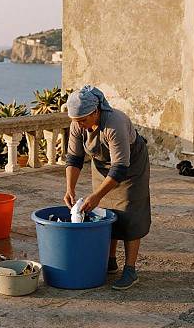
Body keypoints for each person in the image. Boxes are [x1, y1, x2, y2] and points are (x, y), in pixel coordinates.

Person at [63, 85, 151, 290]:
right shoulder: (78, 124)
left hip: (131, 167)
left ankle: (130, 269)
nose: (80, 125)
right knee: (106, 213)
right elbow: (74, 158)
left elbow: (120, 169)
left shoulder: (115, 124)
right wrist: (70, 188)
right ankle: (110, 261)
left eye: (83, 120)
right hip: (101, 165)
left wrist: (96, 195)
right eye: (76, 121)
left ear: (95, 112)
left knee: (130, 214)